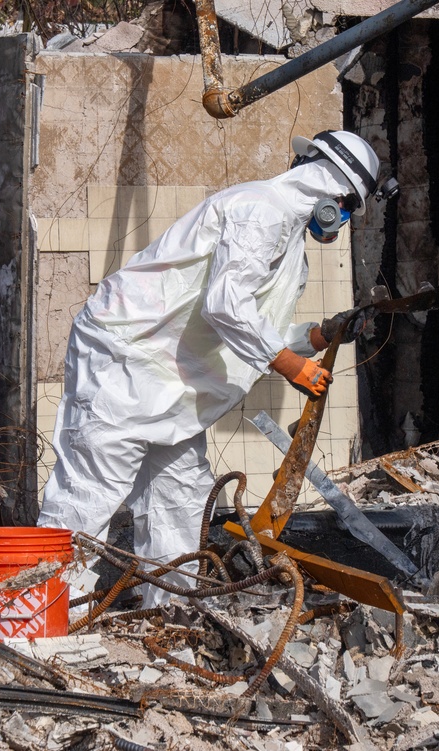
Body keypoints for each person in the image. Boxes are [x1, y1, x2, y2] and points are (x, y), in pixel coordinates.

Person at [39, 130, 387, 607]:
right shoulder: (261, 209)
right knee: (93, 487)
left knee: (180, 497)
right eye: (347, 210)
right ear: (333, 193)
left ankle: (169, 613)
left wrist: (324, 334)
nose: (341, 223)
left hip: (173, 381)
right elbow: (226, 306)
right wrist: (292, 367)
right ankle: (38, 616)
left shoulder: (289, 247)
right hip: (127, 356)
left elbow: (261, 329)